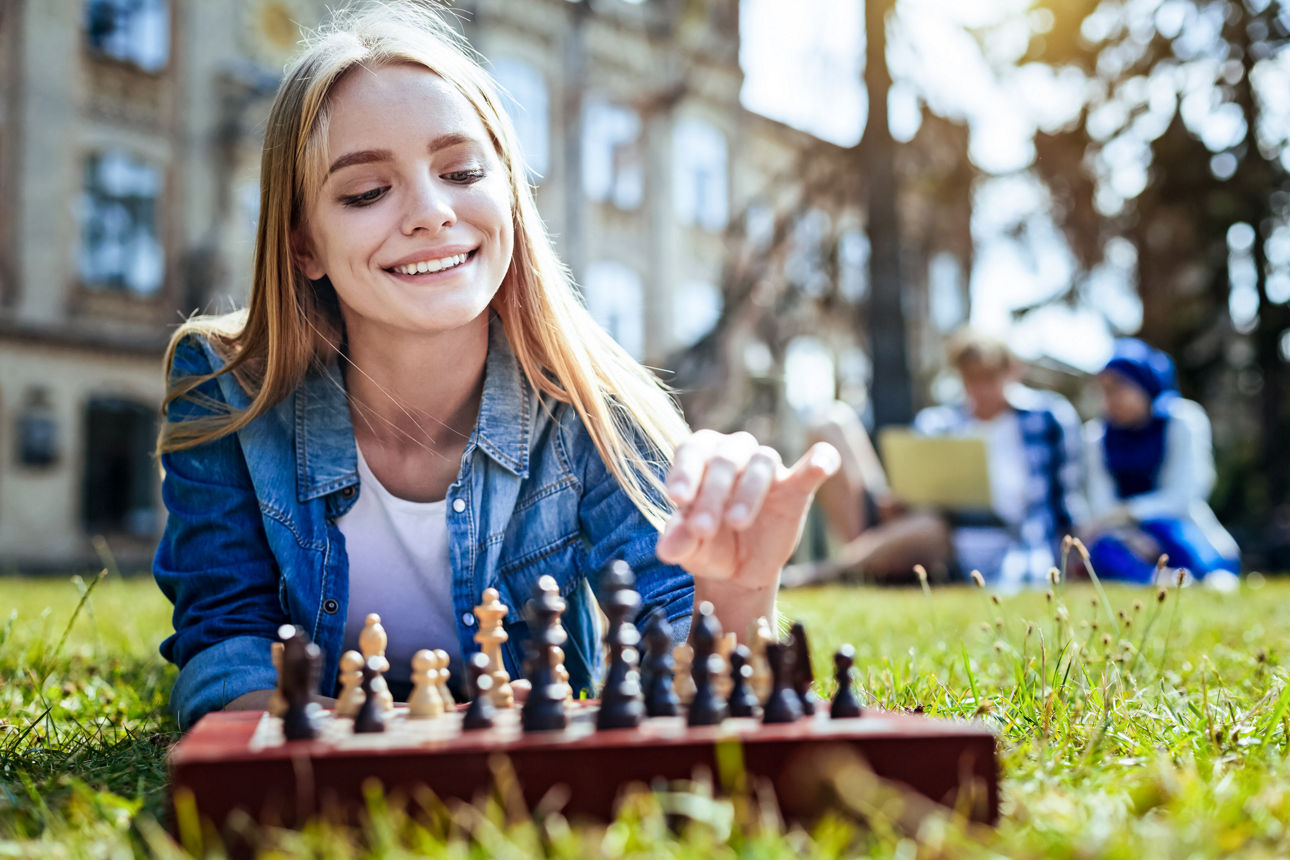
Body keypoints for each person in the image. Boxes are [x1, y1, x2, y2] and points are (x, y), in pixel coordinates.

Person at [152, 3, 838, 730]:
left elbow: (676, 659)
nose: (431, 212)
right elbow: (225, 644)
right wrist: (356, 729)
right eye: (365, 192)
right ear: (303, 247)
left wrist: (738, 596)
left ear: (508, 191)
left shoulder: (587, 404)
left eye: (462, 170)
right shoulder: (226, 389)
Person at [788, 329, 1085, 588]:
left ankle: (832, 572)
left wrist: (1075, 555)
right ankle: (866, 564)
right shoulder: (938, 422)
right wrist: (901, 500)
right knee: (828, 424)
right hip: (915, 523)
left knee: (931, 528)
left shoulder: (1048, 419)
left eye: (988, 378)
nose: (980, 390)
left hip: (985, 541)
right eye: (971, 379)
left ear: (1013, 371)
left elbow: (1066, 500)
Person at [1082, 339, 1239, 585]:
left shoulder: (1182, 420)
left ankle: (1208, 576)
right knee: (1101, 551)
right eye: (1104, 390)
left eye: (1119, 387)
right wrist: (1130, 534)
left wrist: (1131, 513)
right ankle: (1161, 580)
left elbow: (1185, 495)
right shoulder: (1097, 436)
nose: (1111, 399)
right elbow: (1101, 504)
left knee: (1174, 535)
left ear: (1143, 382)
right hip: (1123, 536)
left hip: (1182, 529)